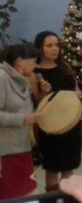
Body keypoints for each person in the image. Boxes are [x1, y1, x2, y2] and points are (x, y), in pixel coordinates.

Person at [31, 31, 82, 192]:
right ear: (40, 48)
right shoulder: (34, 73)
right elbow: (37, 105)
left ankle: (70, 197)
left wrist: (71, 94)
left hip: (70, 123)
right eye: (49, 45)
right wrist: (44, 93)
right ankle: (53, 198)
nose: (55, 49)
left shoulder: (64, 67)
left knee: (69, 166)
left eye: (57, 45)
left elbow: (77, 91)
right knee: (52, 167)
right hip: (50, 127)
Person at [0, 44, 40, 201]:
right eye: (33, 61)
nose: (35, 65)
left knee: (26, 192)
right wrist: (22, 119)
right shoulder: (2, 78)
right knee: (12, 195)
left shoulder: (21, 79)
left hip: (21, 146)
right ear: (19, 61)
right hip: (5, 151)